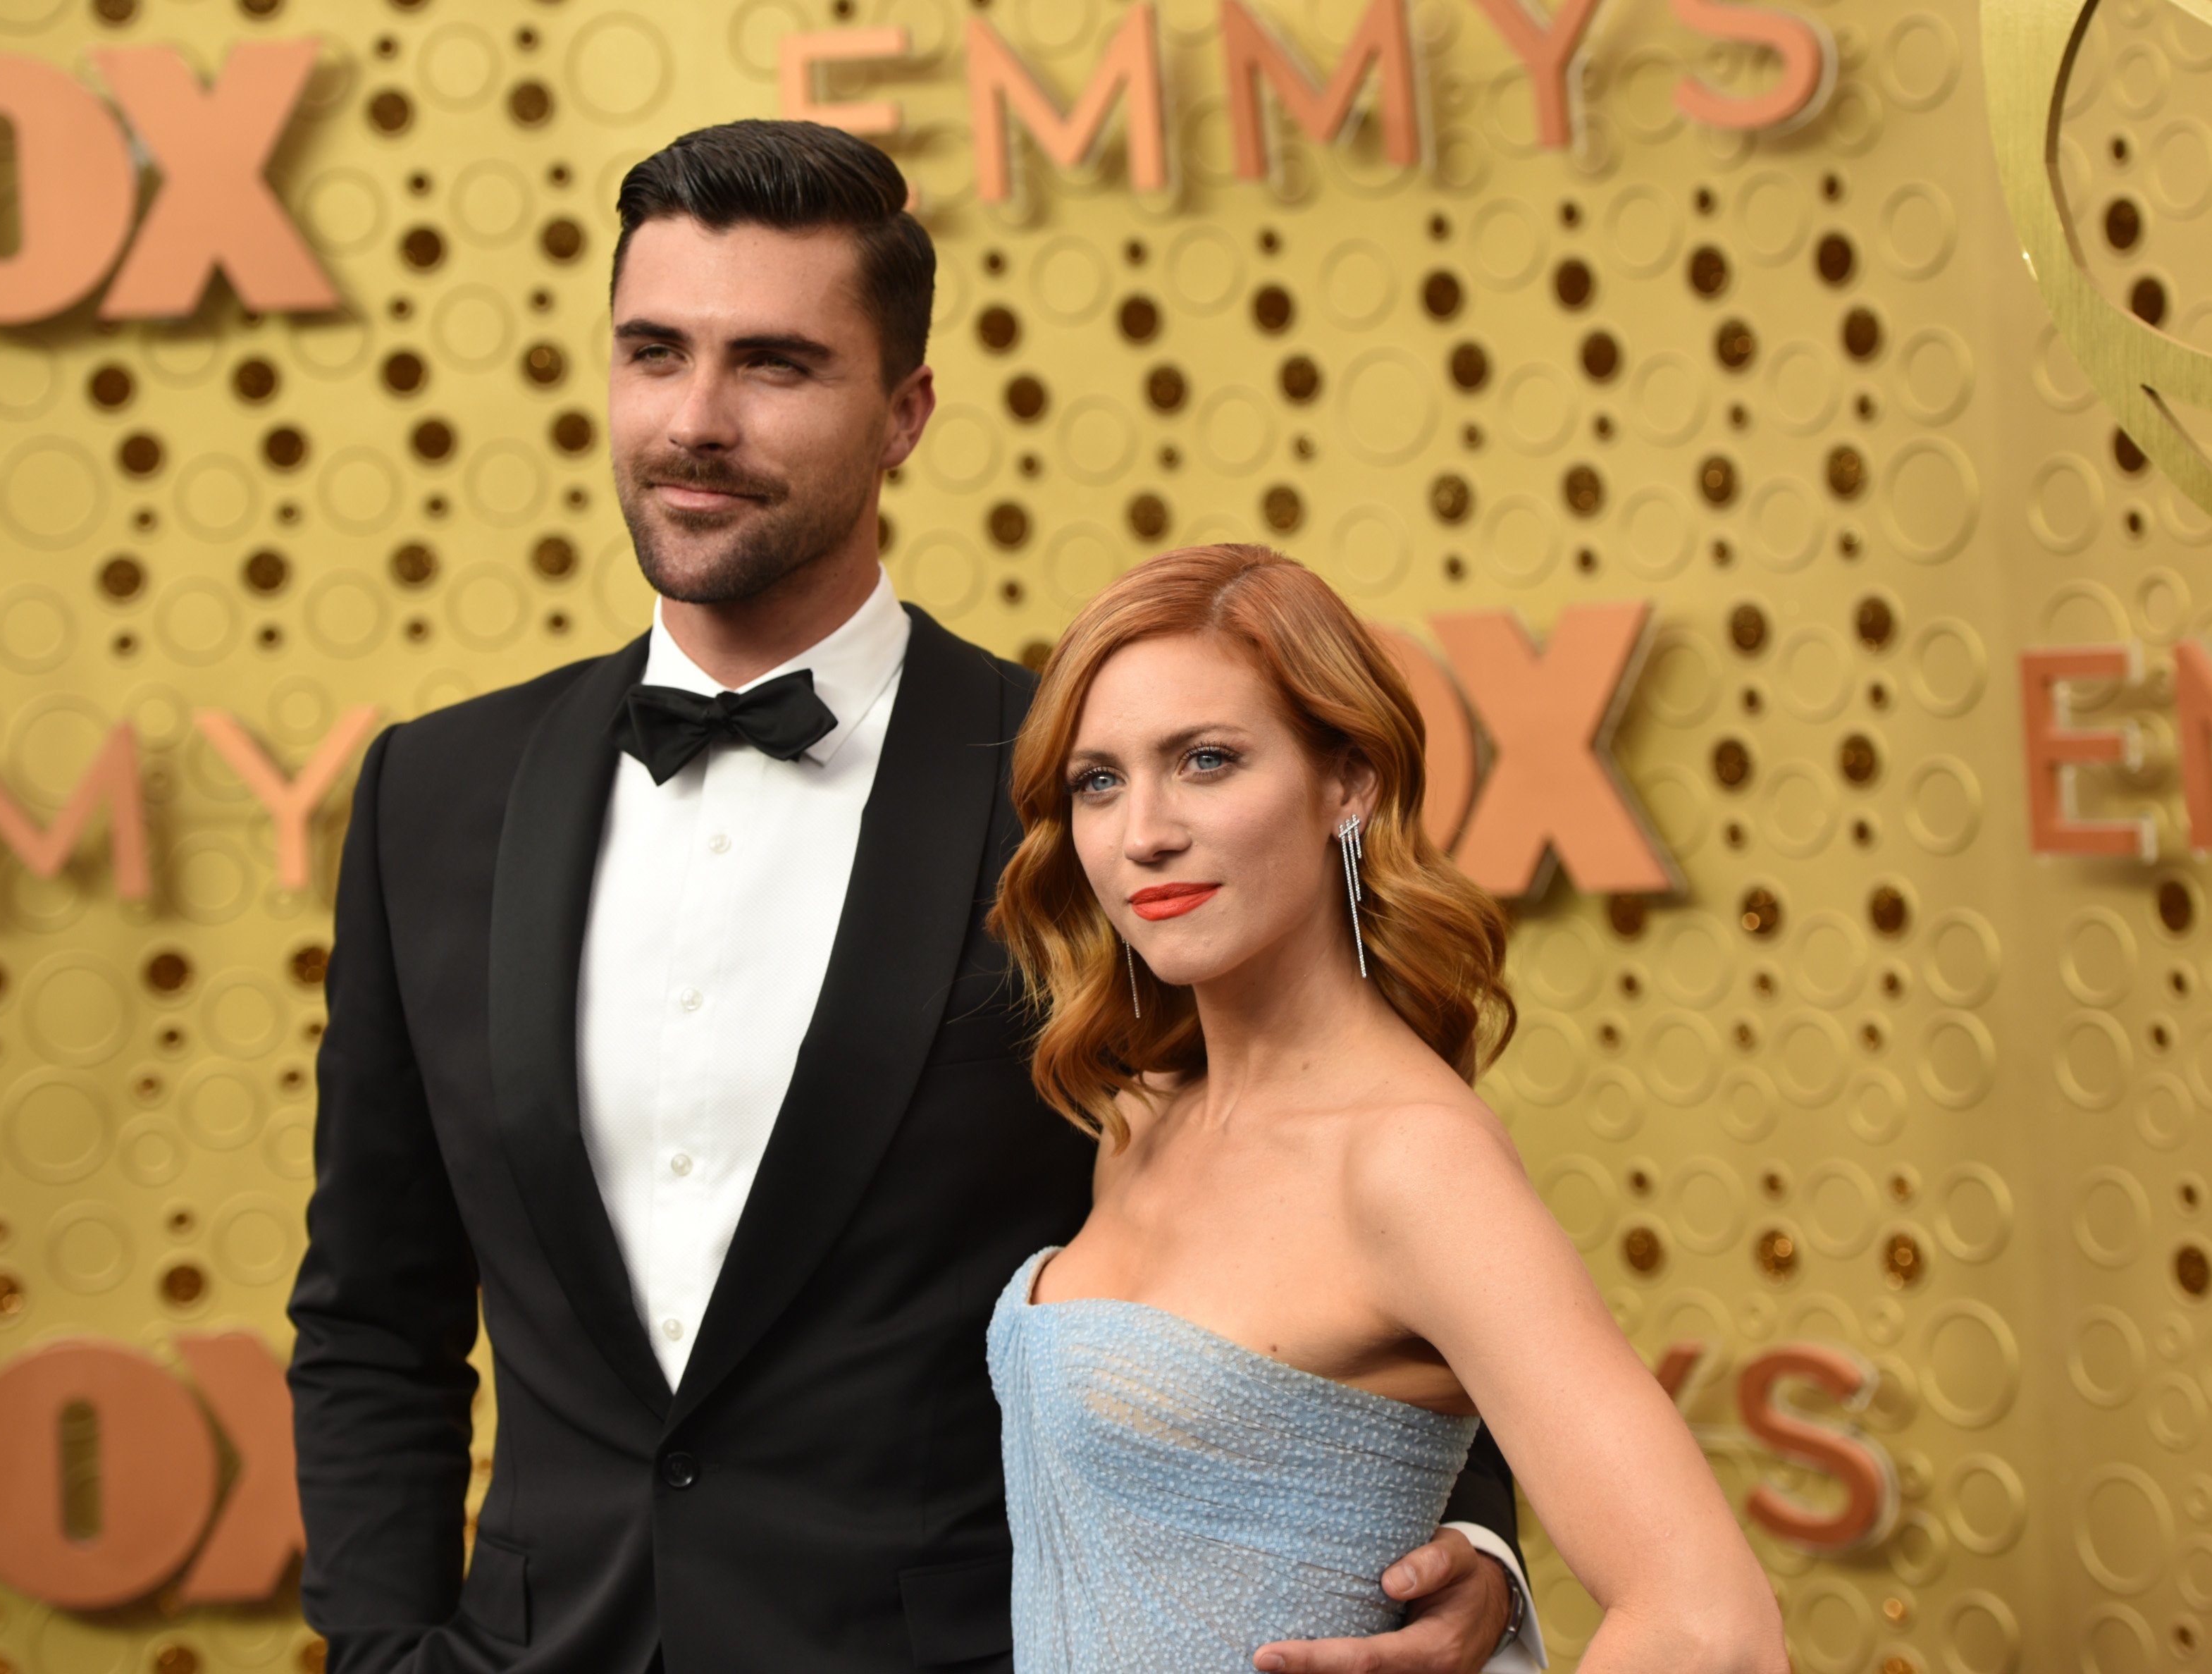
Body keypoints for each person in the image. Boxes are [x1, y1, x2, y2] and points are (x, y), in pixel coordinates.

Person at [288, 121, 1536, 1673]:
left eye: (777, 366)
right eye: (653, 351)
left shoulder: (1084, 790)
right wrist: (379, 1648)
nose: (694, 420)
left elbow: (1308, 1166)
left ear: (905, 412)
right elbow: (372, 1309)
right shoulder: (437, 792)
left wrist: (1456, 1535)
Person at [984, 544, 1791, 1674]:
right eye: (1098, 781)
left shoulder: (1412, 1161)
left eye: (1206, 761)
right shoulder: (1141, 1118)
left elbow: (1708, 1627)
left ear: (1348, 783)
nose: (1142, 832)